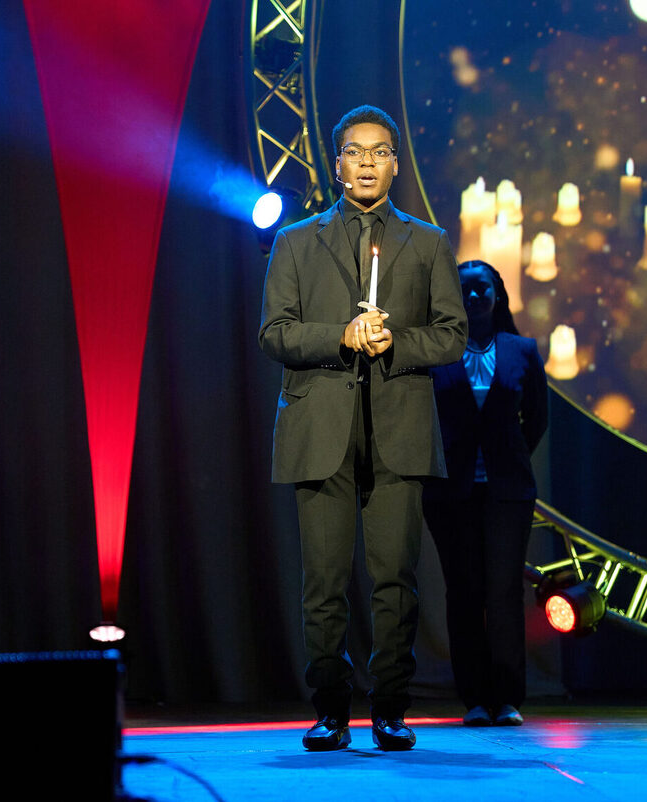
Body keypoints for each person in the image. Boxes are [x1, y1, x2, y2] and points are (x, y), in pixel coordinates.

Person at [259, 105, 466, 751]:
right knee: (323, 582)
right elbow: (275, 333)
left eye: (380, 151)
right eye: (356, 151)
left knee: (394, 580)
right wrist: (341, 336)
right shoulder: (296, 241)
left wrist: (395, 342)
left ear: (396, 163)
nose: (368, 162)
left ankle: (390, 707)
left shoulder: (427, 241)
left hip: (398, 430)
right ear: (337, 163)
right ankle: (329, 707)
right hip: (320, 428)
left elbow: (452, 335)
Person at [422, 259, 548, 727]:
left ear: (497, 294)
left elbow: (537, 419)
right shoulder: (435, 349)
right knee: (463, 592)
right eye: (464, 290)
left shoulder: (522, 349)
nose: (473, 297)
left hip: (507, 493)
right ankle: (474, 699)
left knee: (503, 592)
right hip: (449, 493)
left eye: (482, 288)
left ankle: (508, 698)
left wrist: (506, 459)